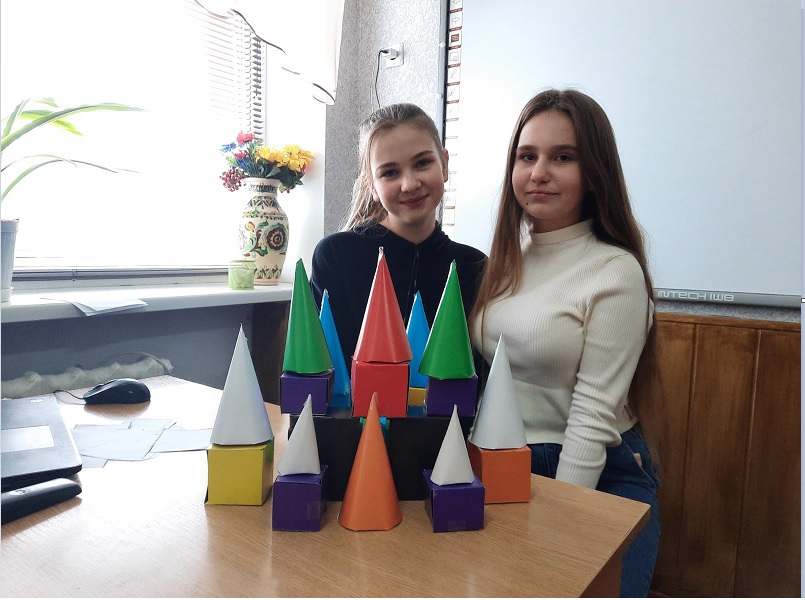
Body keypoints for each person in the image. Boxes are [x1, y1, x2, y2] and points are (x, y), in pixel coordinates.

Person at [469, 89, 660, 597]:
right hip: (503, 459)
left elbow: (592, 416)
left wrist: (557, 529)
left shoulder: (614, 270)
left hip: (592, 470)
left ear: (594, 172)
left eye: (562, 157)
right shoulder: (507, 256)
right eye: (526, 156)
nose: (539, 172)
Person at [310, 103, 487, 375]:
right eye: (390, 172)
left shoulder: (474, 266)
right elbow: (320, 370)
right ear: (372, 185)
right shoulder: (336, 256)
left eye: (422, 163)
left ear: (444, 165)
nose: (410, 184)